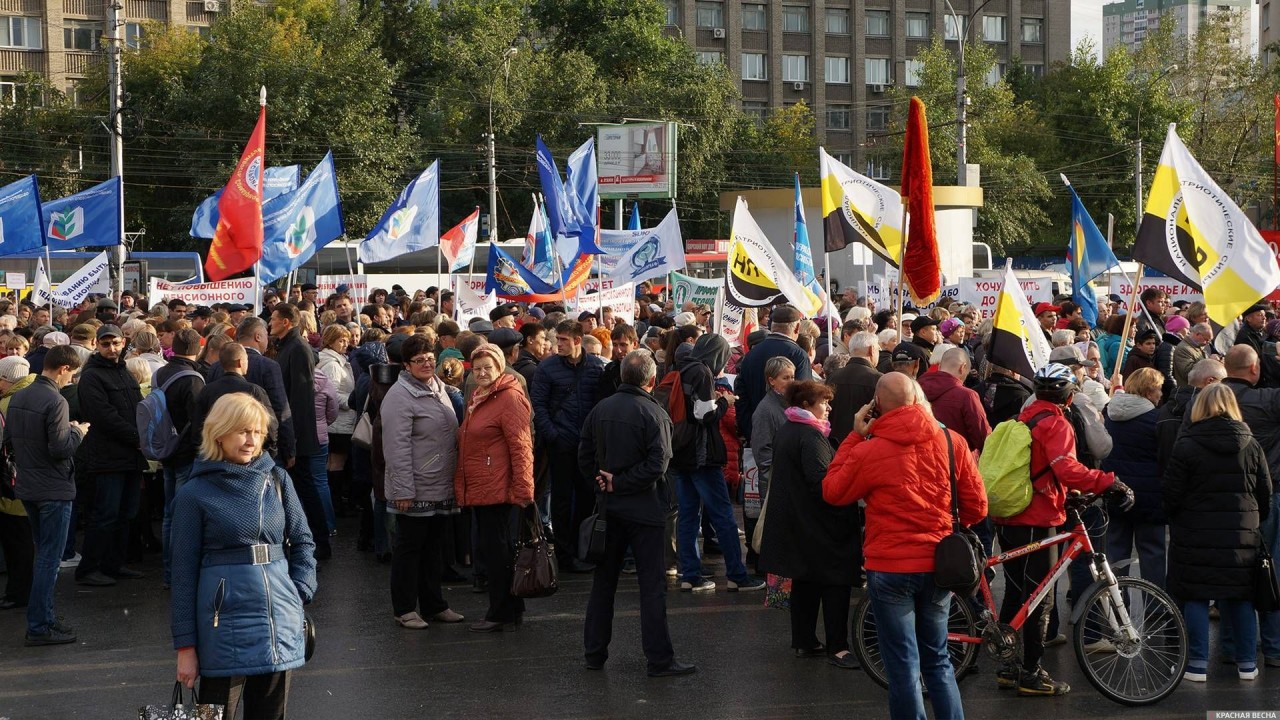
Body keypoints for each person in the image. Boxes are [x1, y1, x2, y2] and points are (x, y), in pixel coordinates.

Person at [823, 373, 986, 719]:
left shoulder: (870, 449)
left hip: (891, 566)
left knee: (903, 666)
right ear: (917, 399)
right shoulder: (951, 441)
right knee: (939, 659)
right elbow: (977, 507)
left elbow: (833, 491)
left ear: (876, 407)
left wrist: (855, 435)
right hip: (939, 564)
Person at [170, 393, 317, 719]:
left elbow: (304, 540)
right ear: (219, 433)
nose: (251, 440)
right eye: (242, 431)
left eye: (257, 432)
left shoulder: (277, 479)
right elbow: (181, 574)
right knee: (210, 715)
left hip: (278, 621)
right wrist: (185, 648)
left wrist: (300, 591)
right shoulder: (193, 494)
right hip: (221, 630)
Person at [992, 363, 1132, 695]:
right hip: (1037, 518)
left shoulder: (1022, 417)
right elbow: (1066, 468)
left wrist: (1066, 493)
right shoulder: (1056, 422)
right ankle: (1031, 673)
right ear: (1069, 397)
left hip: (1010, 513)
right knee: (1041, 597)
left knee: (1016, 593)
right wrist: (1108, 482)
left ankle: (1008, 666)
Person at [578, 350, 694, 676]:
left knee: (604, 583)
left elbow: (584, 456)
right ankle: (659, 659)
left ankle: (594, 653)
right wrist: (617, 484)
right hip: (645, 511)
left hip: (610, 510)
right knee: (651, 588)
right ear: (651, 380)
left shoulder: (601, 409)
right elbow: (659, 464)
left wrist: (604, 485)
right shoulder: (652, 413)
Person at [1165, 383, 1272, 683]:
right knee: (1241, 598)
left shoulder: (1186, 444)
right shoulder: (1251, 444)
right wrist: (1253, 521)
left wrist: (1179, 518)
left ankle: (1197, 664)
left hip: (1195, 534)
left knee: (1197, 597)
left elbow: (1171, 494)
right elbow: (1265, 492)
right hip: (1242, 535)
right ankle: (1248, 664)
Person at [757, 381, 859, 669]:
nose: (828, 408)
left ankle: (805, 640)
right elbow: (823, 484)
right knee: (834, 583)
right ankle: (837, 647)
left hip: (798, 522)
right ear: (805, 406)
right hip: (818, 524)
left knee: (806, 581)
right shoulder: (809, 436)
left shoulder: (790, 429)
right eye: (823, 403)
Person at [381, 335, 464, 629]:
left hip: (439, 483)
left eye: (430, 358)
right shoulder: (399, 396)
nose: (427, 363)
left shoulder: (438, 388)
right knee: (409, 549)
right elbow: (395, 447)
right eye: (419, 360)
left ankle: (434, 605)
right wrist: (403, 490)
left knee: (433, 548)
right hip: (414, 487)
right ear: (406, 365)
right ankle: (404, 608)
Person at [671, 333, 765, 593]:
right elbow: (705, 414)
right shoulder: (702, 372)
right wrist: (725, 401)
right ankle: (737, 574)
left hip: (682, 454)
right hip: (702, 455)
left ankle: (690, 574)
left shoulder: (681, 369)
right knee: (723, 514)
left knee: (688, 515)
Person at [7, 345, 86, 645]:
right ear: (64, 368)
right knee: (49, 560)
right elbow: (60, 448)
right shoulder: (56, 400)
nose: (71, 380)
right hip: (53, 488)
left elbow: (10, 441)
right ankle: (40, 625)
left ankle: (45, 618)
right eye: (72, 374)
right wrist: (78, 431)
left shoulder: (19, 395)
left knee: (44, 556)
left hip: (27, 484)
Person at [454, 343, 533, 633]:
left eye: (488, 367)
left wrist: (524, 490)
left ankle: (500, 611)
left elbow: (522, 446)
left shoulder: (510, 397)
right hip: (483, 484)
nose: (482, 372)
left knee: (497, 551)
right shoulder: (479, 394)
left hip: (498, 486)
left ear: (501, 367)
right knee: (497, 548)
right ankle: (512, 608)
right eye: (477, 368)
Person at [75, 325, 147, 587]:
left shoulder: (124, 372)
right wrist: (136, 437)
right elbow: (103, 416)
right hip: (107, 457)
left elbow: (137, 407)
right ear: (96, 344)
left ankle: (114, 564)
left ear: (123, 342)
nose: (111, 348)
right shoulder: (92, 376)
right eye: (105, 344)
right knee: (105, 514)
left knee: (126, 513)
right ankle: (89, 568)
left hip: (129, 455)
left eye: (115, 343)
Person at [530, 320, 605, 571]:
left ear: (577, 340)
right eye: (556, 339)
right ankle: (563, 554)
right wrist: (553, 435)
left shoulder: (595, 366)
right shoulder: (547, 368)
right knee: (561, 501)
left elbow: (601, 403)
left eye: (562, 339)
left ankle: (582, 550)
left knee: (586, 497)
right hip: (560, 443)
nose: (557, 344)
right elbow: (538, 405)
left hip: (587, 445)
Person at [269, 303, 330, 561]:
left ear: (286, 321)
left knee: (306, 489)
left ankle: (321, 542)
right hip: (293, 436)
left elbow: (301, 398)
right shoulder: (286, 347)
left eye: (273, 318)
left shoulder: (299, 348)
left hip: (299, 437)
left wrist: (293, 441)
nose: (269, 323)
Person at [1101, 367, 1167, 590]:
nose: (1161, 394)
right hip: (1150, 499)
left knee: (1115, 556)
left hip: (1116, 493)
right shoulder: (1156, 420)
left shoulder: (1109, 413)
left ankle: (1116, 617)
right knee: (1153, 557)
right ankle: (1158, 613)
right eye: (1159, 389)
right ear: (1149, 391)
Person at [154, 328, 207, 589]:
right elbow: (199, 423)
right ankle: (180, 575)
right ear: (197, 348)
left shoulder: (161, 373)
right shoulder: (194, 379)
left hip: (166, 450)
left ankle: (168, 572)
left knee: (169, 514)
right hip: (186, 453)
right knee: (183, 516)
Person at [734, 305, 812, 442]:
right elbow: (804, 397)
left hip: (757, 433)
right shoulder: (798, 355)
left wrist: (751, 431)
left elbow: (741, 396)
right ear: (797, 328)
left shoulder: (751, 355)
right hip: (789, 436)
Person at [317, 325, 356, 520]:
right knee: (335, 465)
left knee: (334, 464)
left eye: (346, 340)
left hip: (339, 421)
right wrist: (350, 401)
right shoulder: (332, 364)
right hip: (338, 423)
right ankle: (336, 506)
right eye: (341, 340)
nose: (345, 343)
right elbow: (331, 393)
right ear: (330, 340)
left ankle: (334, 505)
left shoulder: (336, 361)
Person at [918, 347, 990, 453]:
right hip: (957, 460)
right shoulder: (967, 396)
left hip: (921, 459)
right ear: (963, 367)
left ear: (940, 366)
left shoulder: (915, 388)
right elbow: (982, 438)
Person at [827, 331, 881, 445]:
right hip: (865, 443)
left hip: (834, 443)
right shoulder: (878, 379)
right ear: (871, 350)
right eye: (878, 350)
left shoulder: (833, 377)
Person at [1173, 322, 1213, 387]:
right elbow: (1188, 374)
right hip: (1189, 392)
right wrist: (1210, 362)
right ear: (1198, 334)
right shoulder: (1183, 349)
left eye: (1209, 341)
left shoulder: (1198, 347)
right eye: (1206, 340)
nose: (1207, 343)